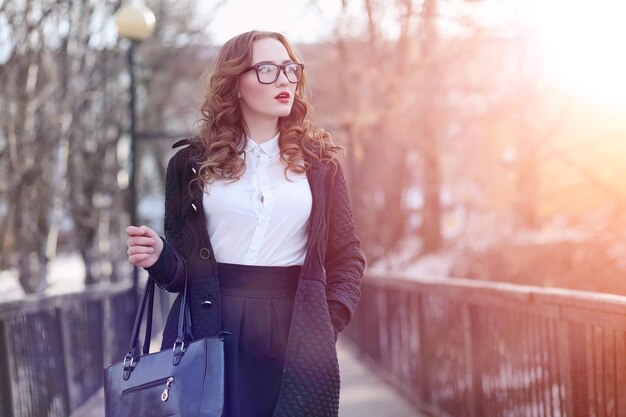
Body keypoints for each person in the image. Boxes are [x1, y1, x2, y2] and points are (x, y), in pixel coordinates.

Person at [125, 30, 366, 417]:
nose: (284, 79)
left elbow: (348, 256)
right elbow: (180, 276)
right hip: (210, 324)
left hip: (297, 331)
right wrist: (158, 257)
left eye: (290, 68)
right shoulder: (190, 165)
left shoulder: (321, 166)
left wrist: (327, 322)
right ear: (235, 83)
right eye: (267, 70)